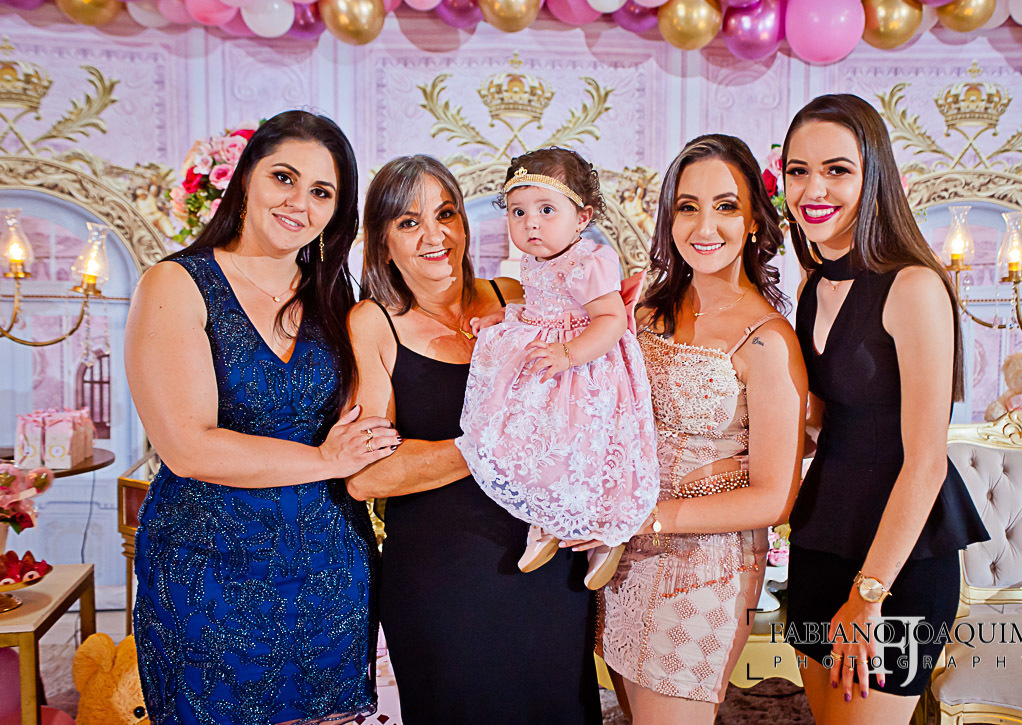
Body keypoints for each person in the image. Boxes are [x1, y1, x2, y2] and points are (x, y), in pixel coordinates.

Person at [126, 110, 398, 725]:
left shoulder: (337, 298)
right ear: (246, 176)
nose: (299, 202)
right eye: (284, 177)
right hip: (207, 571)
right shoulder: (176, 283)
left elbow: (371, 421)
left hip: (330, 569)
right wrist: (325, 459)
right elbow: (187, 447)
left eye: (322, 192)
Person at [345, 155, 603, 724]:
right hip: (444, 582)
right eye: (408, 222)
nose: (435, 236)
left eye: (446, 214)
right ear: (382, 241)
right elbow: (368, 476)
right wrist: (493, 443)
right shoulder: (373, 323)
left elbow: (591, 391)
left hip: (548, 568)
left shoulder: (515, 295)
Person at [582, 133, 807, 724]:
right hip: (622, 560)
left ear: (754, 221)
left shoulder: (768, 340)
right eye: (688, 206)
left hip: (704, 568)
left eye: (726, 206)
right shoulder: (642, 312)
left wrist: (648, 517)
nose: (705, 226)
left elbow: (774, 497)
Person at [781, 94, 990, 724]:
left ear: (874, 176)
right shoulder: (812, 286)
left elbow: (926, 463)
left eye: (837, 170)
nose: (813, 189)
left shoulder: (914, 286)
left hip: (898, 563)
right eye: (798, 170)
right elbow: (825, 423)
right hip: (820, 540)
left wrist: (868, 597)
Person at [456, 148, 659, 590]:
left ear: (582, 217)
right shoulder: (535, 260)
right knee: (532, 439)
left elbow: (611, 319)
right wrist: (503, 318)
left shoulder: (589, 261)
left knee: (585, 445)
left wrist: (569, 353)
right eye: (518, 212)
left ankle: (605, 529)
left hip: (586, 368)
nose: (531, 223)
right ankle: (546, 513)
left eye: (546, 210)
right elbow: (539, 305)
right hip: (548, 359)